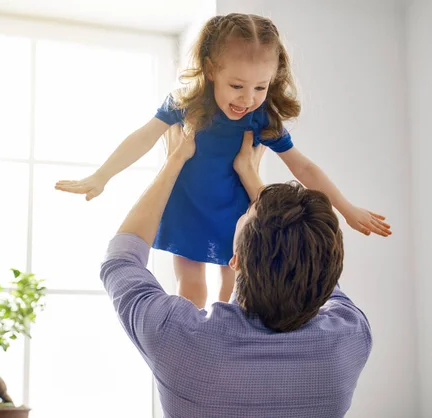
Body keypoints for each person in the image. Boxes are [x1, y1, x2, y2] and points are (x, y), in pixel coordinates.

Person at [58, 13, 391, 308]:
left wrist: (347, 209)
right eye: (237, 85)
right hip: (187, 206)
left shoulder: (262, 119)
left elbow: (302, 167)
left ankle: (226, 345)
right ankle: (191, 348)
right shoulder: (185, 104)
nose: (247, 99)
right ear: (211, 69)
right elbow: (144, 137)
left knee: (235, 289)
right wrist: (101, 176)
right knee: (189, 289)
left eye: (261, 87)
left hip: (236, 212)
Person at [100, 126, 372, 418]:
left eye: (244, 216)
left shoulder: (176, 336)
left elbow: (120, 260)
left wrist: (173, 164)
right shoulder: (349, 338)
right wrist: (249, 173)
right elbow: (316, 260)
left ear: (236, 261)